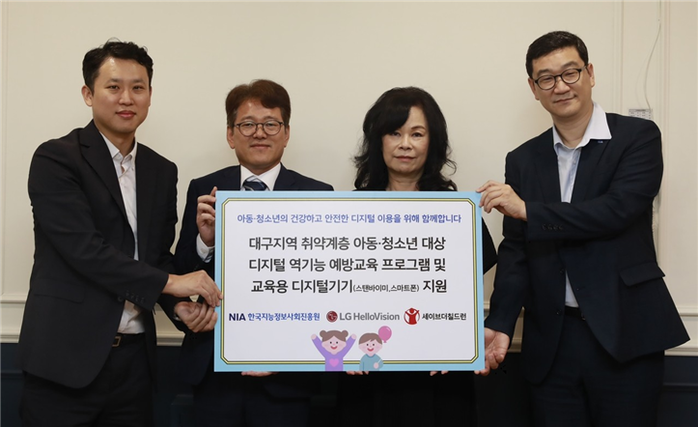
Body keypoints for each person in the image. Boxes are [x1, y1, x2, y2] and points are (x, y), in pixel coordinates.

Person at [477, 31, 690, 427]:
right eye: (546, 78)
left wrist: (529, 210)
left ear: (590, 73)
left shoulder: (637, 137)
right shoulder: (523, 159)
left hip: (626, 333)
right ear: (534, 89)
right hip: (551, 340)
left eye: (570, 72)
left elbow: (616, 211)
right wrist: (501, 322)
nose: (560, 86)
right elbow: (516, 249)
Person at [17, 39, 222, 426]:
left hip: (134, 366)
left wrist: (177, 304)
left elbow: (155, 257)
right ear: (88, 94)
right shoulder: (56, 158)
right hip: (62, 362)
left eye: (138, 87)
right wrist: (173, 282)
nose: (127, 98)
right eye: (113, 87)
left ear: (149, 95)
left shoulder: (162, 170)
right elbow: (85, 251)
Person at [173, 79, 334, 427]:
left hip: (287, 374)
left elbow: (326, 285)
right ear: (231, 135)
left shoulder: (318, 194)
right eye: (247, 124)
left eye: (270, 124)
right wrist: (206, 242)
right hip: (213, 367)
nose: (259, 133)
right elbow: (181, 270)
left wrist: (288, 350)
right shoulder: (205, 189)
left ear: (286, 133)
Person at [342, 86, 497, 427]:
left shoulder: (459, 213)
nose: (405, 144)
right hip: (366, 371)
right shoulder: (347, 211)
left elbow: (467, 289)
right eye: (394, 133)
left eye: (417, 134)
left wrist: (459, 337)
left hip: (440, 375)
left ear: (433, 142)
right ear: (377, 141)